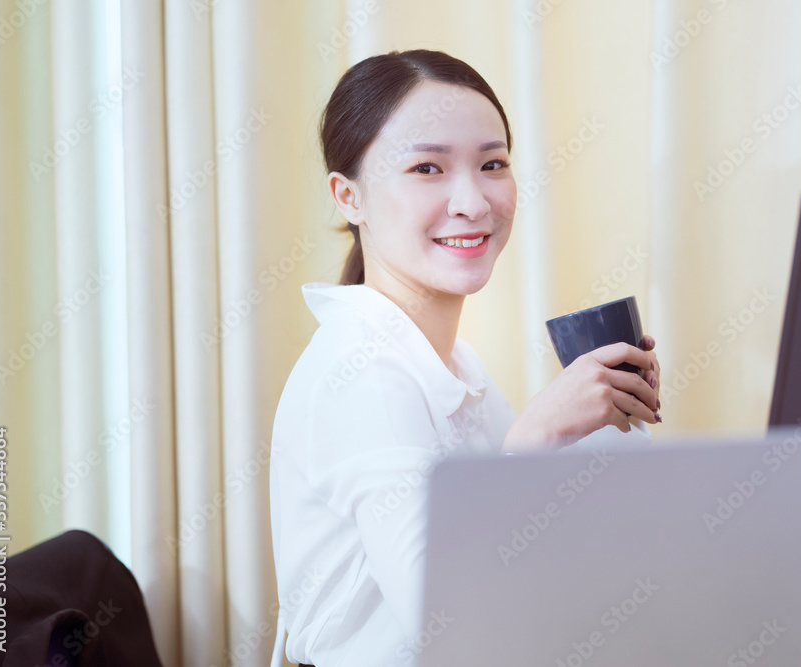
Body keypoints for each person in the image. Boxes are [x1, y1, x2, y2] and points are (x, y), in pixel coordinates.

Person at [268, 48, 662, 667]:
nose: (473, 202)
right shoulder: (362, 372)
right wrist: (538, 435)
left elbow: (533, 553)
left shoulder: (455, 363)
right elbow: (446, 619)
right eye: (427, 168)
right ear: (349, 198)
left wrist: (606, 417)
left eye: (493, 164)